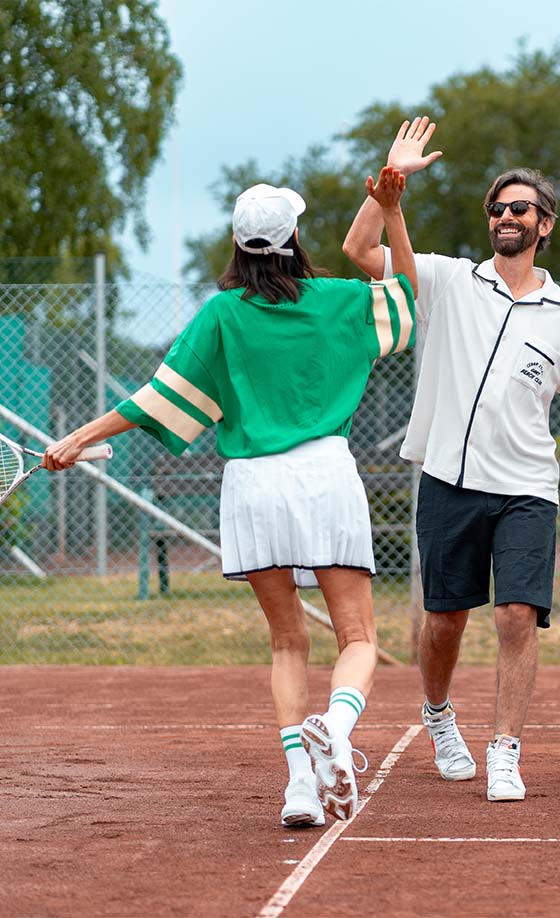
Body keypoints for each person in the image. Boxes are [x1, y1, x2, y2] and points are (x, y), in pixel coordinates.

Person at [43, 167, 419, 826]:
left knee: (286, 642)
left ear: (239, 244)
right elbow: (409, 297)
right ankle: (334, 725)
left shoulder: (221, 313)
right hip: (326, 474)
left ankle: (300, 784)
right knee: (357, 636)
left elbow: (154, 399)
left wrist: (78, 436)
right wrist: (389, 211)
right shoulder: (338, 300)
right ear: (295, 236)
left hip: (252, 486)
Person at [343, 117, 560, 802]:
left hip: (527, 486)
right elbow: (359, 247)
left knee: (516, 615)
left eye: (518, 208)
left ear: (544, 224)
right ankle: (438, 717)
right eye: (496, 208)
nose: (504, 216)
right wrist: (389, 185)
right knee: (444, 622)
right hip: (448, 482)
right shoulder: (447, 281)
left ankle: (505, 750)